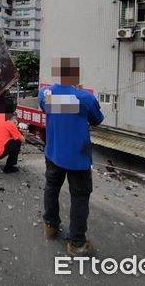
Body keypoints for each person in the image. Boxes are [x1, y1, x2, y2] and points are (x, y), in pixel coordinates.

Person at [37, 57, 104, 256]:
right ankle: (76, 243)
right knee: (80, 198)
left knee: (51, 188)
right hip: (78, 159)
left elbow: (49, 107)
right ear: (75, 75)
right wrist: (77, 93)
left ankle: (50, 226)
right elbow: (97, 119)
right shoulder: (85, 98)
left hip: (53, 153)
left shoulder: (44, 94)